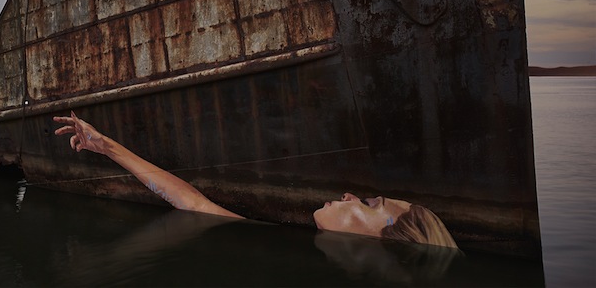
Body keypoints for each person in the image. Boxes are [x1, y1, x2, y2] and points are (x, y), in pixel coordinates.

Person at [54, 112, 458, 249]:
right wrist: (106, 147)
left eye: (370, 205)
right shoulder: (294, 248)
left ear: (385, 252)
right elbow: (195, 204)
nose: (352, 194)